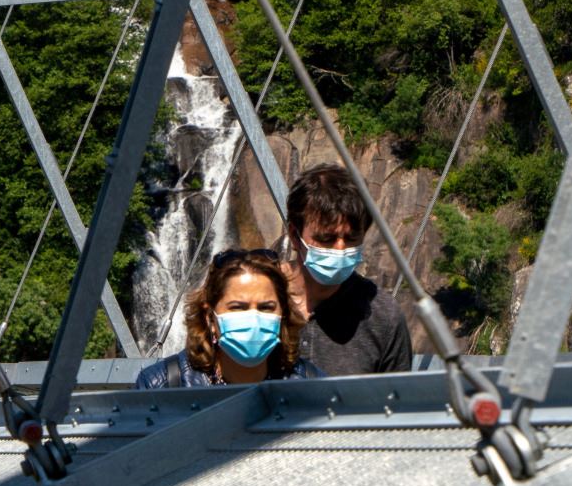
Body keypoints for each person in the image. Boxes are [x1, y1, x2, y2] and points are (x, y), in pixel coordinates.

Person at [282, 165, 412, 376]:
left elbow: (397, 402)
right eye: (326, 238)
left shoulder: (383, 316)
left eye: (352, 238)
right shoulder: (254, 299)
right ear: (295, 236)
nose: (340, 249)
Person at [134, 249, 322, 389]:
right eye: (237, 307)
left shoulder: (312, 384)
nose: (253, 318)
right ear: (210, 318)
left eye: (266, 307)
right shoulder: (161, 384)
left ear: (283, 315)